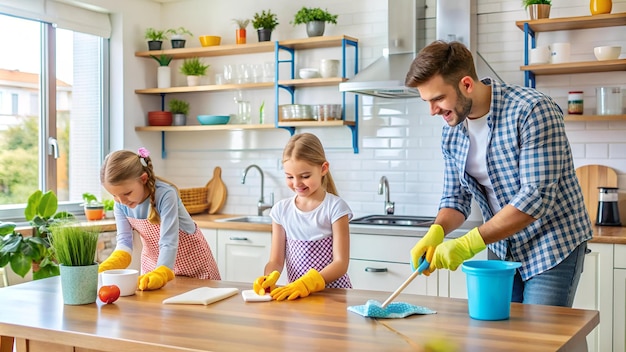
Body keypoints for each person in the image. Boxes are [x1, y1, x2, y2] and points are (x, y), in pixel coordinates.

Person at [405, 40, 592, 307]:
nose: (433, 111)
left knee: (544, 338)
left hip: (551, 243)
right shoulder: (452, 130)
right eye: (427, 101)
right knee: (502, 335)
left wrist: (468, 244)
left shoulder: (532, 110)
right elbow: (455, 199)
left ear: (467, 84)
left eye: (437, 99)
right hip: (502, 246)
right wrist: (437, 230)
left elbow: (534, 198)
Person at [98, 147, 220, 290]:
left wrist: (162, 273)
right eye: (114, 195)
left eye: (127, 193)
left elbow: (168, 241)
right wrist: (107, 266)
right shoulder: (120, 204)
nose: (121, 200)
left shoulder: (166, 194)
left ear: (143, 179)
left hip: (192, 266)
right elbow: (124, 240)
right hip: (154, 268)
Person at [253, 133, 353, 301]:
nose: (297, 183)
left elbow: (340, 264)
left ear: (323, 169)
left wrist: (307, 284)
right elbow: (276, 261)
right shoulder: (281, 210)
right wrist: (268, 277)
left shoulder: (335, 208)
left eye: (305, 176)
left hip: (333, 296)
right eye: (289, 177)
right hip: (298, 296)